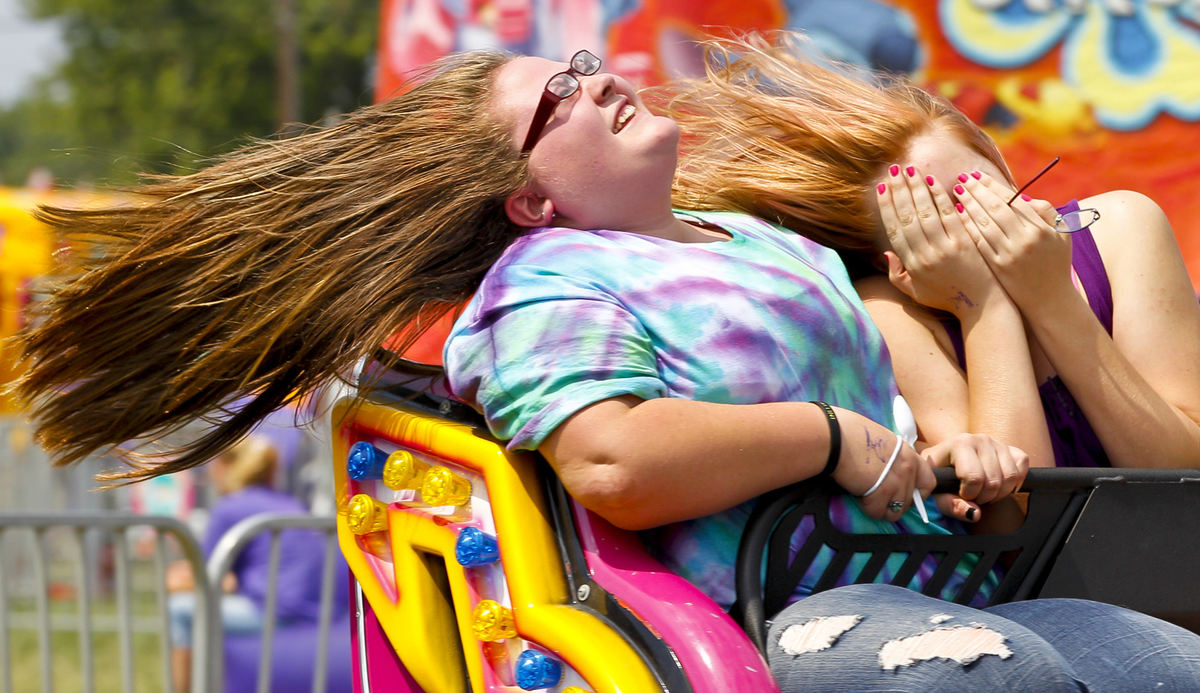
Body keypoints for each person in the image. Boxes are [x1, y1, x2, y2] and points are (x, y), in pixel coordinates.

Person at [15, 47, 1200, 690]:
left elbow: (954, 446)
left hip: (953, 577)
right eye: (560, 100)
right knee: (975, 682)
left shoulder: (770, 247)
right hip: (779, 608)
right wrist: (832, 440)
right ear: (531, 194)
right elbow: (616, 458)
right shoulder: (550, 286)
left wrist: (961, 443)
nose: (598, 79)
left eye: (580, 64)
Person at [664, 31, 1200, 472]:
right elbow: (1017, 525)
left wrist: (1054, 299)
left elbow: (1183, 475)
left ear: (999, 160)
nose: (990, 225)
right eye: (941, 224)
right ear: (894, 262)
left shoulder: (1121, 226)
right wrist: (982, 307)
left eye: (987, 193)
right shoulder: (892, 314)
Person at [165, 435, 335, 693]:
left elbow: (202, 574)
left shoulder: (230, 506)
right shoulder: (292, 503)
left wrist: (176, 580)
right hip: (318, 610)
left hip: (276, 611)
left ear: (225, 466)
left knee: (179, 610)